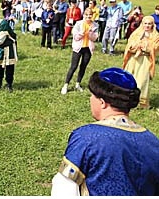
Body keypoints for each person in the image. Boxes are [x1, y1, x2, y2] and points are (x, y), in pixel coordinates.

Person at [51, 67, 159, 196]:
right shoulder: (153, 142)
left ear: (102, 102)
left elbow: (64, 189)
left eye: (92, 95)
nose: (90, 99)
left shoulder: (87, 137)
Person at [122, 15, 158, 109]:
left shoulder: (155, 35)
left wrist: (146, 48)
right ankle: (126, 99)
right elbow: (130, 44)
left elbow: (155, 48)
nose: (147, 26)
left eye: (149, 24)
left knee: (142, 81)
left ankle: (141, 102)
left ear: (152, 25)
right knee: (130, 78)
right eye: (145, 23)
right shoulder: (137, 33)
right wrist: (135, 47)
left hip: (145, 60)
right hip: (134, 59)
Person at [60, 8, 98, 95]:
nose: (88, 17)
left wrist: (90, 34)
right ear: (84, 15)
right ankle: (65, 85)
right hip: (78, 48)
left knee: (83, 66)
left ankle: (78, 84)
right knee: (73, 66)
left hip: (88, 49)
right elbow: (75, 37)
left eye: (90, 15)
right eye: (86, 15)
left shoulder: (95, 25)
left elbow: (95, 38)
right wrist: (82, 33)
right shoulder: (79, 24)